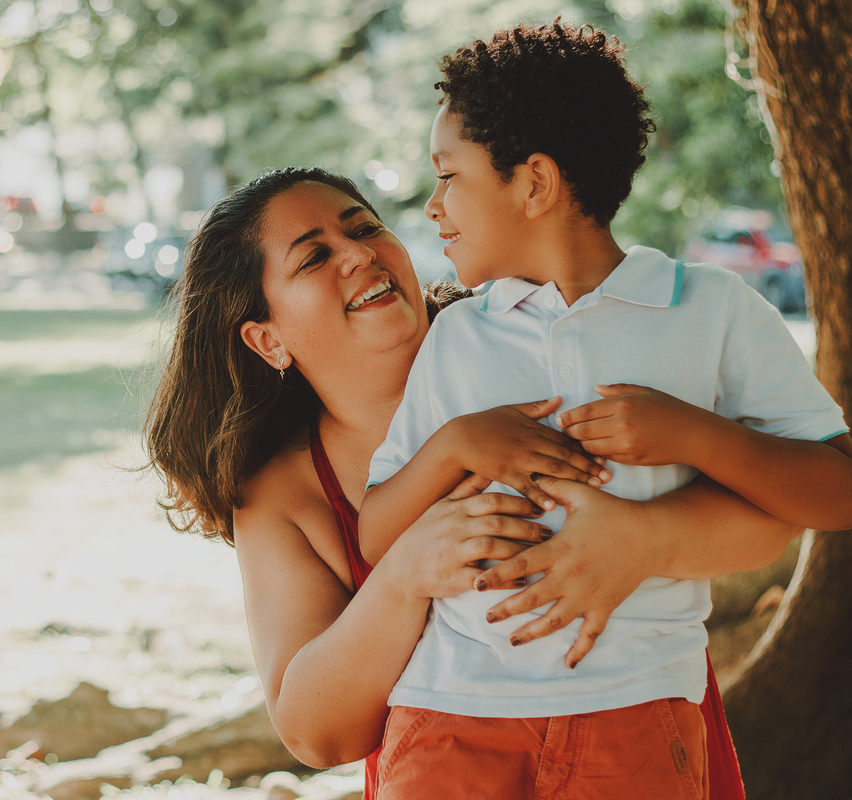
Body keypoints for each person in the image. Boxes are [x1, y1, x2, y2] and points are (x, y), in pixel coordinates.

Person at [145, 166, 802, 799]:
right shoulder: (286, 496)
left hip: (635, 748)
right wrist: (404, 577)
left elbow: (778, 515)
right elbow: (316, 734)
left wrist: (646, 540)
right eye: (314, 257)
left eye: (365, 228)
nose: (359, 255)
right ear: (267, 339)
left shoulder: (542, 347)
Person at [358, 20, 852, 799]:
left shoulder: (710, 308)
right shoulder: (454, 337)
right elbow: (377, 531)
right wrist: (454, 446)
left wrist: (697, 435)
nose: (432, 205)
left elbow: (837, 488)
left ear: (534, 183)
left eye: (449, 175)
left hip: (637, 713)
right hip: (451, 716)